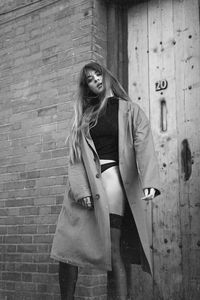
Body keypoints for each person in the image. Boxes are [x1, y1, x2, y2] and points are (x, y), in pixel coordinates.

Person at [51, 62, 161, 300]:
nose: (96, 80)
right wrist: (81, 190)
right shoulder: (86, 115)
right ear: (87, 86)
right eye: (90, 79)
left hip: (112, 184)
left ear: (107, 75)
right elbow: (77, 156)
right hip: (84, 186)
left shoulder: (130, 110)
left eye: (98, 74)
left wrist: (150, 181)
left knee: (113, 251)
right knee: (65, 248)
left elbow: (144, 144)